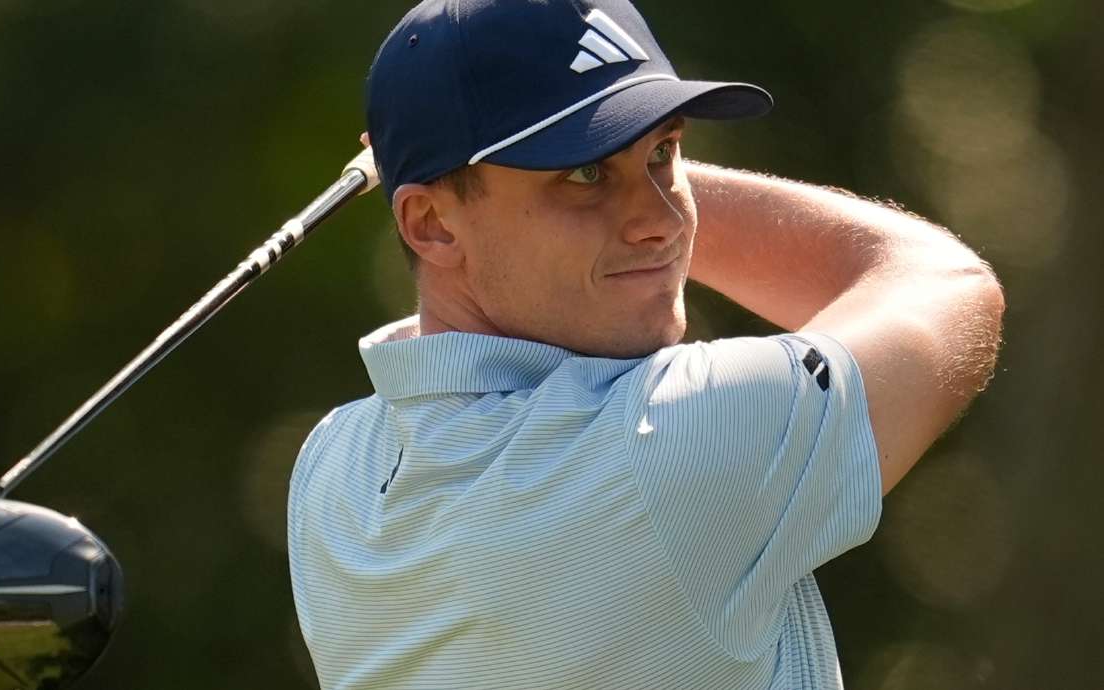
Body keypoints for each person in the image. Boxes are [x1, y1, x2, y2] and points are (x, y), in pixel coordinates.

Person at [287, 0, 1005, 688]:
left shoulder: (331, 473)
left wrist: (447, 167)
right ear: (431, 225)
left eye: (666, 152)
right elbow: (946, 282)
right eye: (585, 173)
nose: (662, 220)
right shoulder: (669, 441)